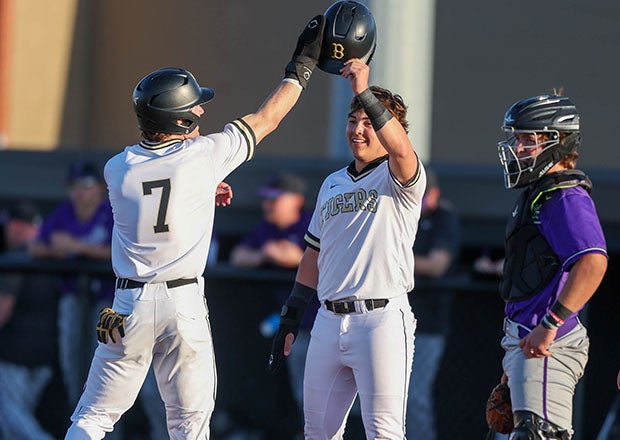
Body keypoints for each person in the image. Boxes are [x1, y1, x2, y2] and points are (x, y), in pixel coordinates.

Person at [64, 12, 326, 439]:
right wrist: (302, 65)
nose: (201, 110)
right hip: (182, 301)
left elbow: (159, 182)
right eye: (193, 107)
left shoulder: (118, 168)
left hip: (126, 304)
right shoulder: (203, 156)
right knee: (189, 425)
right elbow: (267, 119)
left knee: (92, 418)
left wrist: (205, 188)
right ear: (179, 121)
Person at [268, 58, 426, 439]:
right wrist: (291, 315)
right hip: (327, 318)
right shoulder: (332, 183)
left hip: (381, 318)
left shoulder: (398, 177)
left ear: (390, 130)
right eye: (353, 121)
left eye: (369, 123)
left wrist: (364, 92)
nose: (358, 129)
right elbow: (313, 256)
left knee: (384, 433)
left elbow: (402, 152)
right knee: (317, 432)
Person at [495, 93, 608, 439]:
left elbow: (592, 262)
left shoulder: (564, 196)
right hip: (527, 340)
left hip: (548, 344)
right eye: (517, 138)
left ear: (556, 143)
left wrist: (550, 323)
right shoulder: (540, 193)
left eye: (528, 140)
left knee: (539, 435)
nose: (517, 148)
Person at [230, 172, 319, 417]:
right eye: (266, 199)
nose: (267, 205)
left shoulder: (313, 222)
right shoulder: (267, 228)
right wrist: (265, 254)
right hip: (292, 325)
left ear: (296, 201)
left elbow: (327, 261)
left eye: (275, 199)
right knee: (301, 393)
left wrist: (298, 259)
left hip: (322, 324)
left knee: (323, 393)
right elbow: (238, 256)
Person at [28, 160, 115, 407]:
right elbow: (35, 246)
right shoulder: (64, 212)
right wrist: (58, 251)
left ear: (100, 187)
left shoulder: (112, 211)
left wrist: (76, 247)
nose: (80, 191)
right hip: (74, 297)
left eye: (86, 184)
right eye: (74, 185)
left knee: (105, 371)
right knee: (72, 365)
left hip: (108, 303)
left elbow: (123, 252)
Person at [406, 166, 460, 440]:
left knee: (414, 398)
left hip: (427, 325)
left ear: (434, 194)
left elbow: (437, 265)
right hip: (391, 321)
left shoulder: (443, 218)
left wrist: (390, 257)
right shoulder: (399, 212)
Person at [0, 201, 59, 440]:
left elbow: (2, 309)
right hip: (46, 356)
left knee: (14, 420)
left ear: (15, 226)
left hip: (15, 357)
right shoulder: (54, 256)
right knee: (16, 421)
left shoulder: (16, 257)